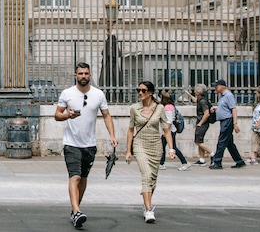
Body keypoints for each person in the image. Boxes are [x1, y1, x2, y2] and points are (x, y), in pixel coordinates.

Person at [55, 62, 118, 229]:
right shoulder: (67, 93)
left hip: (89, 145)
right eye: (80, 73)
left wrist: (112, 135)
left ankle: (75, 210)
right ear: (75, 75)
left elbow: (106, 115)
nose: (83, 76)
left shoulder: (98, 94)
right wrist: (67, 115)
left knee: (83, 179)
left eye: (86, 73)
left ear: (90, 75)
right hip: (71, 143)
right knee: (74, 177)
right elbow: (57, 115)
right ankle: (77, 211)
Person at [126, 81, 174, 224]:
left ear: (151, 92)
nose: (140, 93)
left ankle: (146, 202)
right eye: (138, 90)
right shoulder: (134, 108)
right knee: (146, 175)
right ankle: (149, 210)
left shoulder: (159, 108)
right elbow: (130, 130)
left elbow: (166, 130)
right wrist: (128, 151)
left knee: (152, 179)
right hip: (140, 145)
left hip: (155, 146)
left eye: (144, 90)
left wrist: (171, 148)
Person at [209, 79, 244, 169]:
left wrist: (235, 123)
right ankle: (239, 161)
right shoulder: (223, 96)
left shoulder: (228, 95)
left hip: (227, 120)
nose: (215, 88)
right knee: (229, 143)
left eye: (216, 86)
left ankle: (217, 161)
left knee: (222, 141)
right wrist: (217, 109)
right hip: (224, 120)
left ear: (222, 86)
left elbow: (233, 109)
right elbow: (225, 108)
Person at [158, 89, 190, 171]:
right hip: (170, 130)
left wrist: (165, 131)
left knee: (172, 147)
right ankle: (161, 163)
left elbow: (169, 121)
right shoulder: (169, 106)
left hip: (170, 131)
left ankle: (184, 162)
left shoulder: (168, 107)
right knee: (163, 146)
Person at [185, 84, 212, 165]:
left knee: (198, 142)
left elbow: (207, 113)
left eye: (196, 90)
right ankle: (202, 159)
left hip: (202, 123)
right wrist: (188, 94)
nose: (194, 91)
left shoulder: (203, 101)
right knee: (199, 140)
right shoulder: (200, 99)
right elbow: (195, 100)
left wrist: (200, 123)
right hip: (201, 123)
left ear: (198, 92)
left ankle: (212, 153)